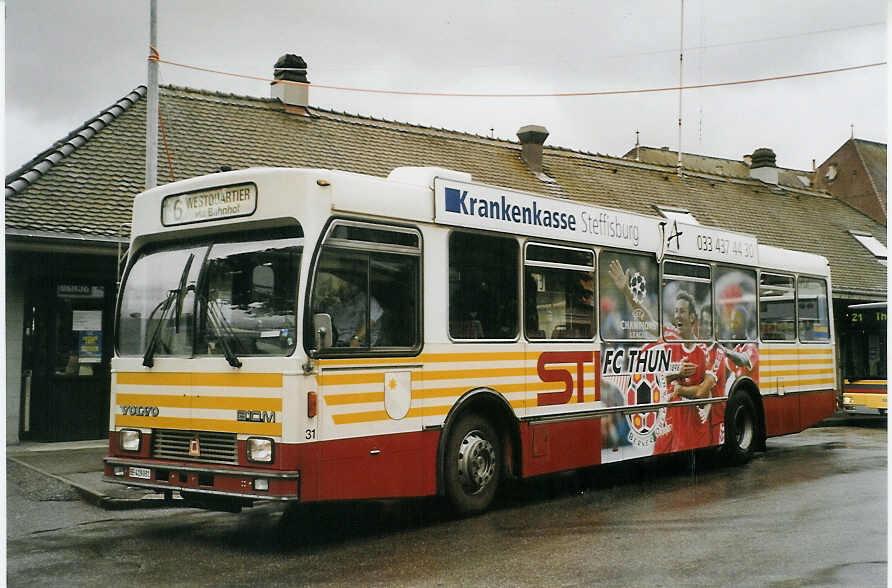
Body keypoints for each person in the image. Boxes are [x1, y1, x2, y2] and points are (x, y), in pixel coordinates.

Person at [329, 278, 382, 347]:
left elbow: (370, 321)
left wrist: (357, 338)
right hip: (339, 345)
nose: (346, 288)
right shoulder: (339, 306)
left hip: (362, 348)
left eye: (349, 286)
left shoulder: (368, 301)